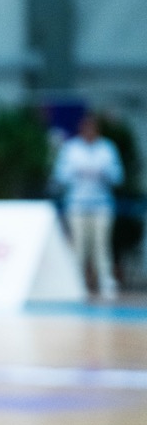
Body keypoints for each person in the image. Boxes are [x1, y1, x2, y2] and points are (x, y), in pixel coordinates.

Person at [53, 113, 125, 299]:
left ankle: (105, 281)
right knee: (79, 245)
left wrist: (104, 172)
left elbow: (118, 176)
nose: (89, 131)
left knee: (102, 244)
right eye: (86, 128)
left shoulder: (107, 148)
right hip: (77, 205)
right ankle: (76, 282)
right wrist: (77, 171)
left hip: (101, 205)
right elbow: (60, 176)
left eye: (92, 128)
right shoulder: (71, 148)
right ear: (81, 129)